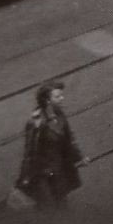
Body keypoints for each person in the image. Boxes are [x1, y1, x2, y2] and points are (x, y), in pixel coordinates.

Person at [17, 81, 87, 210]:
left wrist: (79, 157)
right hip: (43, 172)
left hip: (59, 168)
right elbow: (29, 152)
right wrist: (25, 176)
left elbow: (69, 138)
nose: (62, 98)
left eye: (61, 95)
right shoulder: (36, 122)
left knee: (62, 200)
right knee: (46, 206)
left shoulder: (59, 113)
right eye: (57, 97)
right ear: (47, 100)